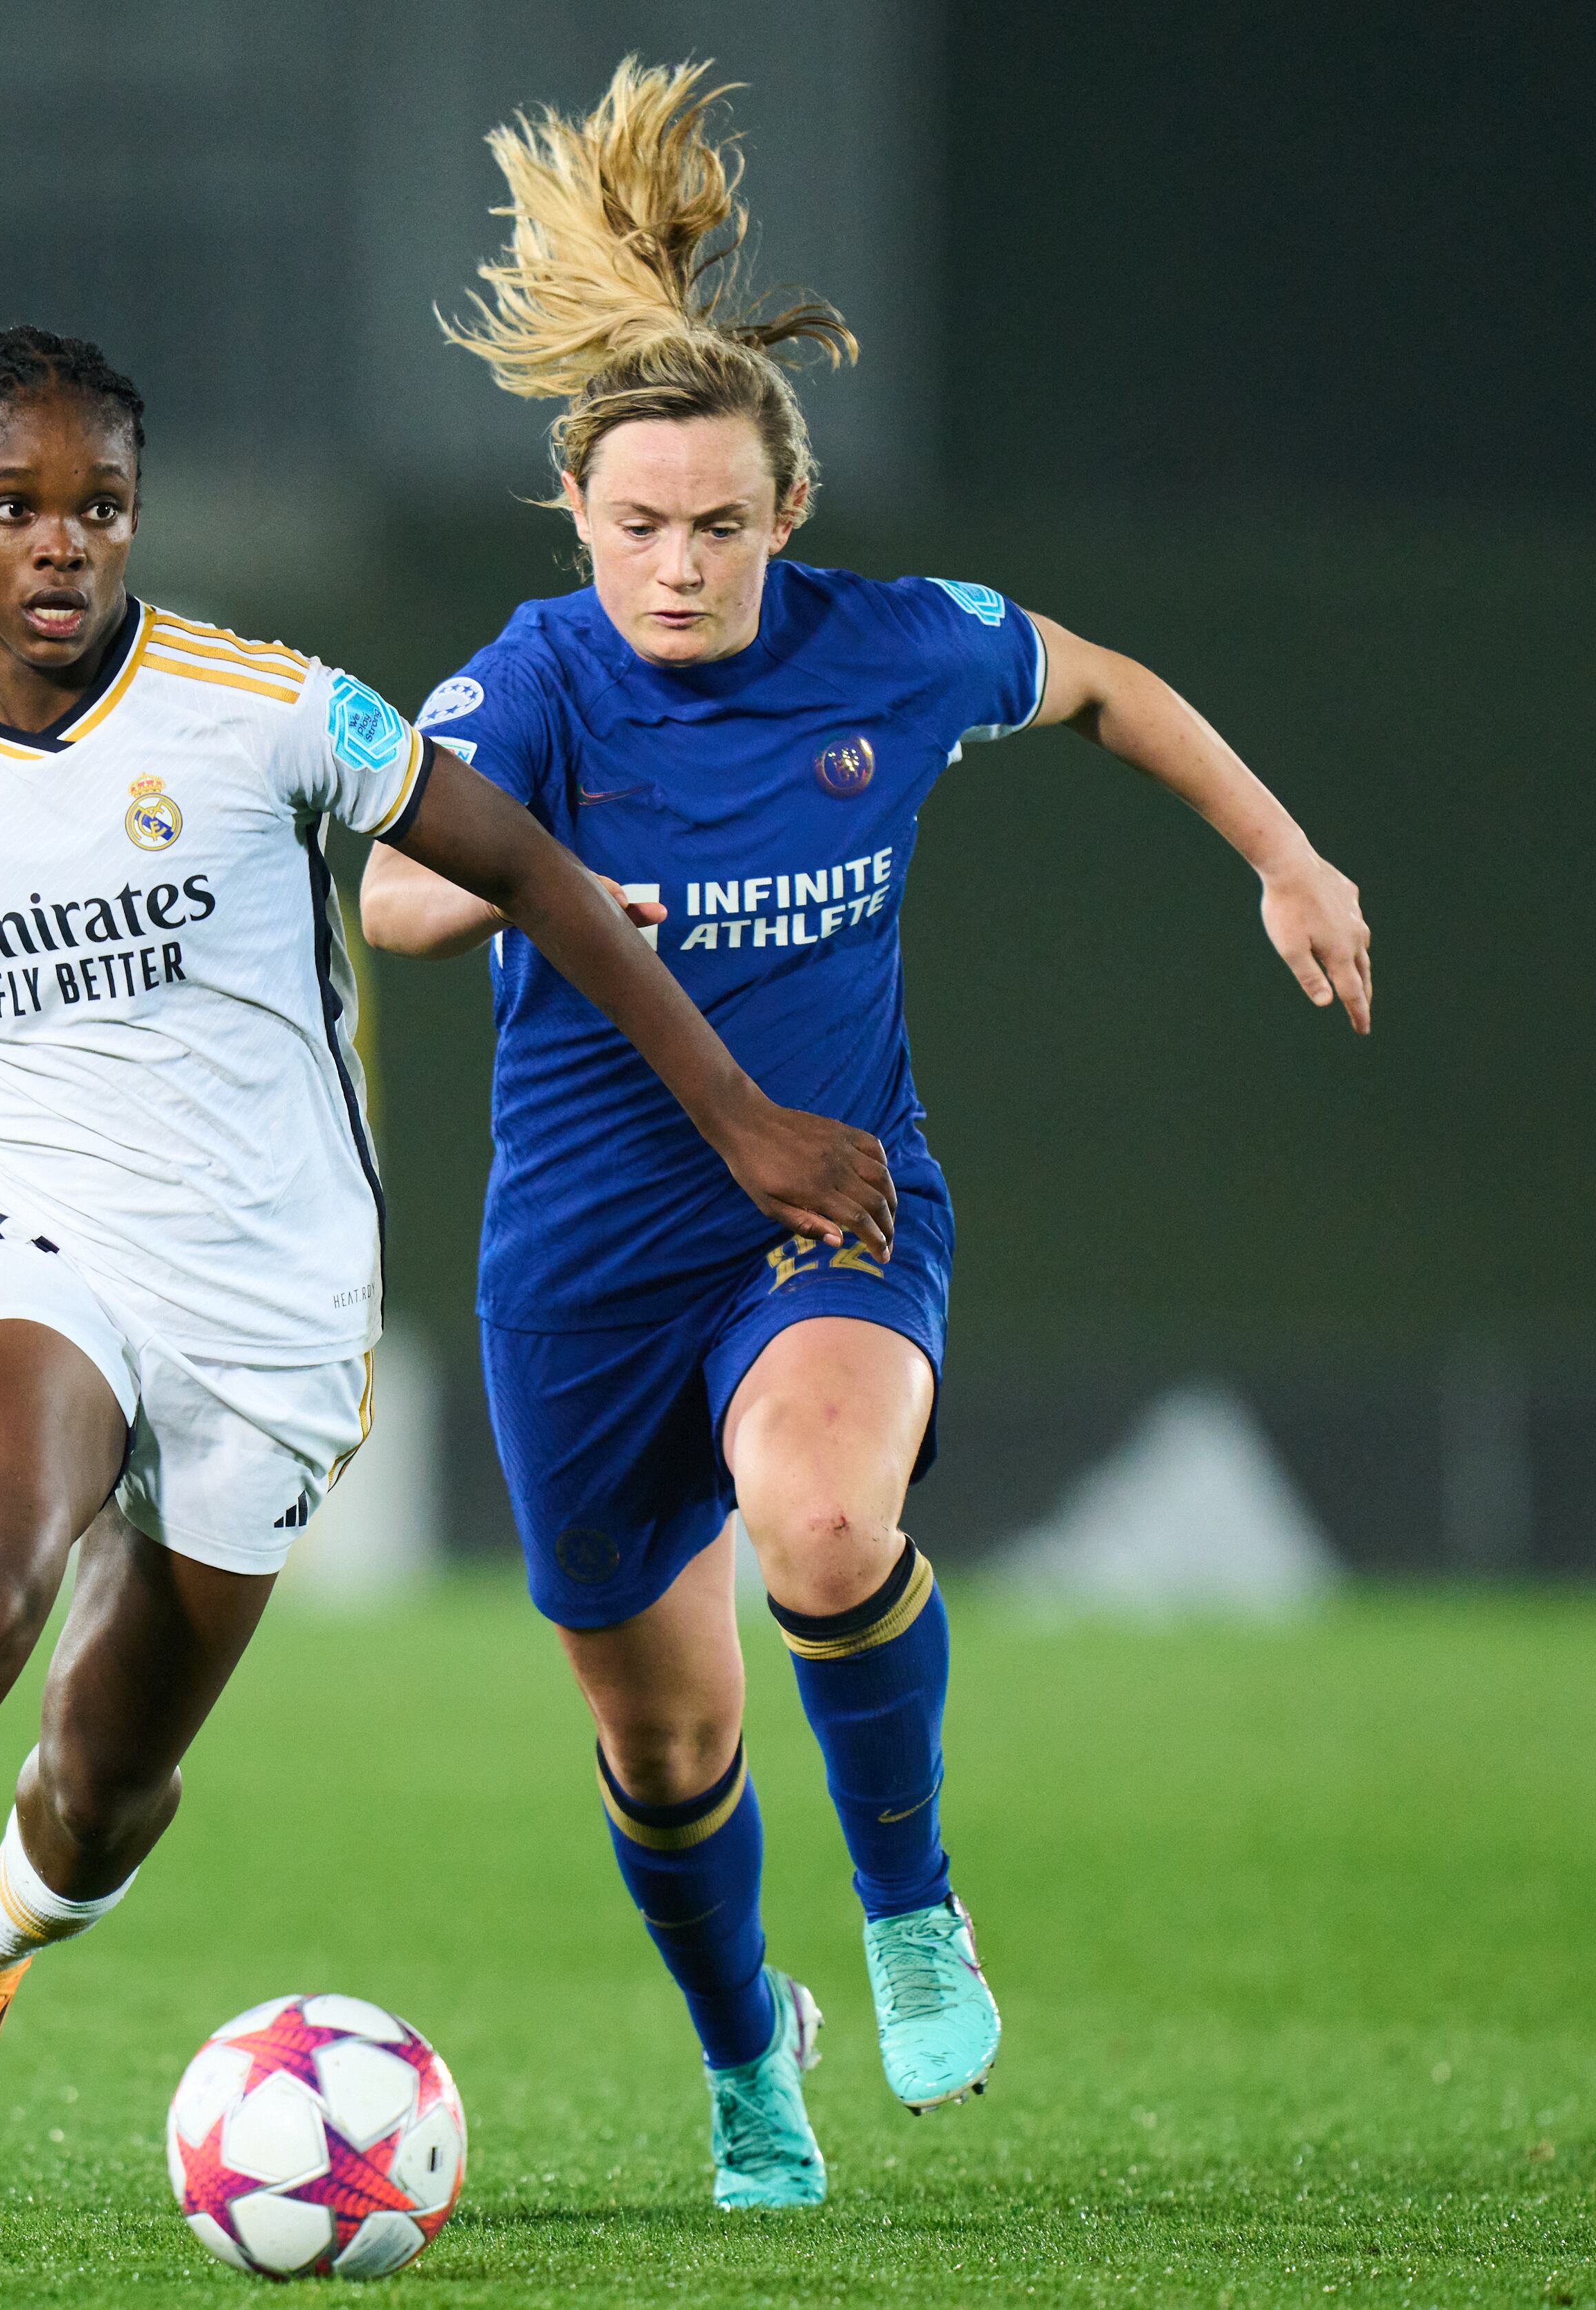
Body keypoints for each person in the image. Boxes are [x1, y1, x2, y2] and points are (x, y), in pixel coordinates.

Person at [0, 323, 890, 2244]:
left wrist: (740, 1125)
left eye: (101, 508)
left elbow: (541, 876)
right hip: (36, 1233)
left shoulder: (277, 710)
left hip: (277, 1299)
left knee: (102, 1783)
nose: (63, 547)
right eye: (15, 509)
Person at [358, 61, 1374, 2211]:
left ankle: (910, 1907)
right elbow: (392, 891)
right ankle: (752, 2055)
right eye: (638, 525)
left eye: (722, 523)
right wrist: (533, 885)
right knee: (664, 1745)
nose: (679, 562)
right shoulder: (530, 683)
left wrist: (1286, 857)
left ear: (786, 517)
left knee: (823, 1528)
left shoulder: (894, 655)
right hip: (581, 1273)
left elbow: (1106, 685)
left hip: (822, 1212)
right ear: (579, 520)